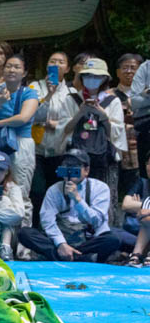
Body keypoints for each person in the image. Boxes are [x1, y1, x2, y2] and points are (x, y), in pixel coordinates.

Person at [19, 148, 120, 263]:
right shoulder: (54, 190)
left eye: (75, 167)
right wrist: (61, 244)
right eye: (66, 166)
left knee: (112, 240)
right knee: (25, 233)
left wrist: (77, 200)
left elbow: (96, 220)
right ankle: (75, 257)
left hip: (87, 240)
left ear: (86, 170)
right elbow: (47, 221)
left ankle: (68, 256)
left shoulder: (100, 188)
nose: (70, 170)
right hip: (62, 239)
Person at [0, 53, 38, 197]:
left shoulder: (29, 93)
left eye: (17, 67)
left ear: (24, 73)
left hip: (20, 142)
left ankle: (22, 219)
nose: (12, 70)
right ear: (3, 70)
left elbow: (22, 118)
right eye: (8, 66)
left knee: (21, 189)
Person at [63, 58, 125, 189]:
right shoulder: (71, 99)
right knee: (72, 193)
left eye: (97, 76)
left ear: (104, 79)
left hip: (105, 158)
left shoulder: (112, 101)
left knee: (104, 195)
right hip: (74, 157)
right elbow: (64, 130)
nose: (91, 79)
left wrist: (104, 116)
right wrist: (80, 113)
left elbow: (116, 134)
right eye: (87, 75)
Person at [29, 51, 79, 210]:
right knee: (37, 191)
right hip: (36, 150)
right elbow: (31, 115)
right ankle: (36, 228)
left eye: (61, 62)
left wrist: (56, 124)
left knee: (58, 191)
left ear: (68, 69)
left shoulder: (72, 93)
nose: (56, 65)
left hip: (61, 151)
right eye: (52, 61)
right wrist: (49, 94)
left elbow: (76, 121)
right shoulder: (34, 87)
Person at [111, 53, 143, 202]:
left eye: (134, 68)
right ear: (117, 72)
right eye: (125, 68)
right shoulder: (108, 95)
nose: (129, 71)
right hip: (117, 152)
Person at [121, 151, 150, 266]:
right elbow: (126, 205)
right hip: (134, 230)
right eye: (148, 164)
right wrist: (145, 207)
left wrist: (141, 206)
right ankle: (136, 254)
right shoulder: (142, 183)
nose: (149, 167)